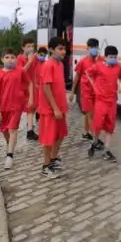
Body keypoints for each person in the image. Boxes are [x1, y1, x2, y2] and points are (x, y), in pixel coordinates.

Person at [0, 48, 33, 169]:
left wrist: (30, 98)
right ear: (2, 59)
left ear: (16, 59)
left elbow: (29, 83)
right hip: (3, 107)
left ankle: (9, 155)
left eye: (12, 57)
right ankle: (10, 143)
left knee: (12, 129)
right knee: (4, 130)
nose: (10, 60)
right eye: (7, 57)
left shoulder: (20, 71)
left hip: (16, 106)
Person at [86, 45, 121, 163]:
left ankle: (107, 151)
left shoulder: (118, 67)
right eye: (111, 57)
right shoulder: (98, 66)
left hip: (112, 101)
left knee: (110, 126)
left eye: (115, 57)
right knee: (98, 125)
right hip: (101, 101)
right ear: (105, 57)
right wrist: (94, 87)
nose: (113, 59)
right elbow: (88, 73)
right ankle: (94, 142)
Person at [38, 37, 69, 179]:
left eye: (64, 48)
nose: (63, 51)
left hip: (60, 107)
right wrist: (55, 108)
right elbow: (46, 88)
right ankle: (45, 166)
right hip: (50, 109)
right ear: (51, 49)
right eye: (60, 48)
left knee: (61, 135)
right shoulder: (48, 65)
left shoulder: (60, 65)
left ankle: (53, 159)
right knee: (49, 138)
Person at [70, 38, 104, 145]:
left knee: (88, 113)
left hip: (97, 92)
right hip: (86, 92)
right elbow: (77, 77)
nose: (94, 49)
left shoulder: (100, 61)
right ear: (87, 48)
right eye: (92, 47)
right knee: (91, 115)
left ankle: (86, 133)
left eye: (96, 47)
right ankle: (96, 139)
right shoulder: (83, 62)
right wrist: (72, 91)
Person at [17, 38, 39, 141]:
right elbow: (21, 73)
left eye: (32, 46)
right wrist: (29, 61)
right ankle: (29, 130)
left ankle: (30, 127)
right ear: (23, 48)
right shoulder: (20, 59)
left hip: (32, 85)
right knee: (28, 108)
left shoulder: (34, 58)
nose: (31, 49)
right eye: (28, 47)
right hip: (23, 87)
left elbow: (35, 71)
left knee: (32, 107)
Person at [34, 46, 48, 128]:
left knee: (40, 102)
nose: (42, 56)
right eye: (41, 55)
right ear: (38, 53)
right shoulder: (34, 61)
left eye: (44, 55)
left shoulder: (45, 63)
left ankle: (39, 114)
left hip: (42, 86)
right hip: (35, 85)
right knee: (35, 102)